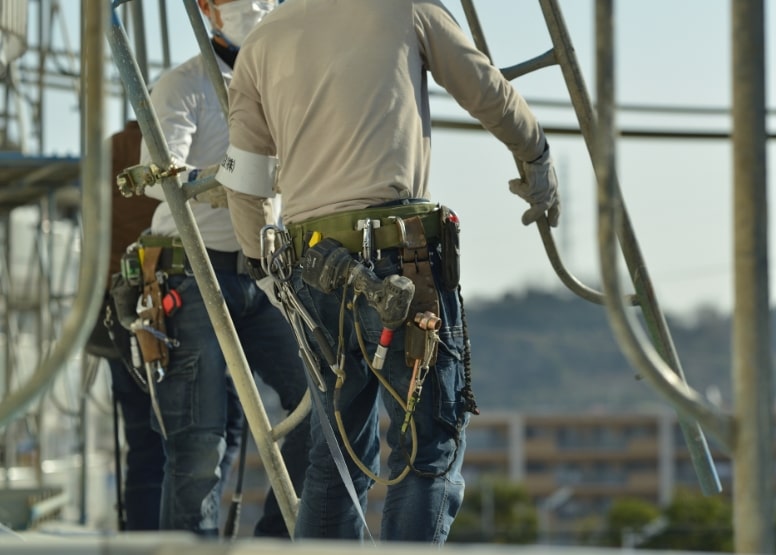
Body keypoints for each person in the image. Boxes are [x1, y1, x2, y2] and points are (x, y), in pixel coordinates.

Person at [216, 0, 560, 544]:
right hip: (404, 261)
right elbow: (487, 93)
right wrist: (536, 156)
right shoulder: (406, 7)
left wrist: (268, 278)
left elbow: (247, 182)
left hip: (314, 268)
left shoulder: (263, 40)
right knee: (428, 452)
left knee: (335, 462)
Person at [139, 0, 309, 537]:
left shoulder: (288, 84)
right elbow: (154, 176)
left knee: (318, 405)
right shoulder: (183, 85)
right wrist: (224, 183)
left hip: (266, 269)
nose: (257, 8)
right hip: (194, 273)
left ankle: (278, 545)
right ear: (209, 9)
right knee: (201, 446)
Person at [84, 120, 163, 531]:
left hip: (115, 307)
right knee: (194, 437)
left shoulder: (109, 150)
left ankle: (141, 536)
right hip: (160, 306)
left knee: (142, 442)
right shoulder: (164, 153)